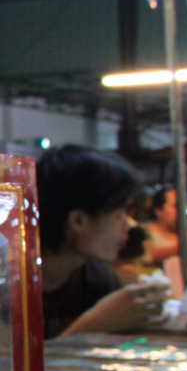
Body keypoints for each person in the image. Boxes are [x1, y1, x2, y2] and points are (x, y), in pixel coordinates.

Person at [37, 144, 166, 338]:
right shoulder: (4, 286)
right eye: (119, 214)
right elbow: (0, 366)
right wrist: (93, 325)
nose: (129, 225)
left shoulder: (99, 282)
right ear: (78, 221)